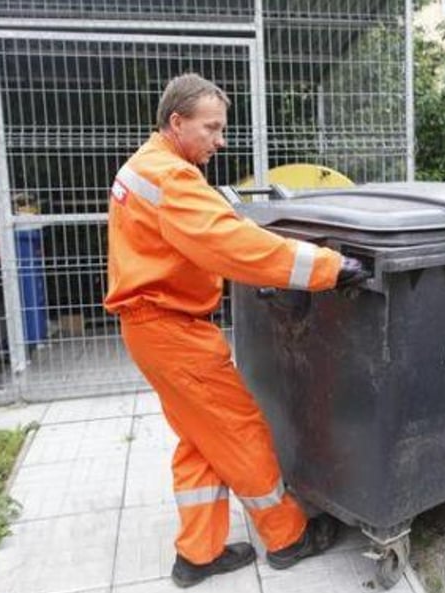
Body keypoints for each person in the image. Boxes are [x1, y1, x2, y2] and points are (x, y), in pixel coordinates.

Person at [104, 73, 368, 587]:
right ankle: (288, 538)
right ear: (177, 122)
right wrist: (328, 267)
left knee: (201, 439)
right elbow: (233, 246)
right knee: (240, 430)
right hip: (172, 331)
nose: (220, 140)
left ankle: (197, 554)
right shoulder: (172, 178)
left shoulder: (147, 165)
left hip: (151, 329)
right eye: (212, 128)